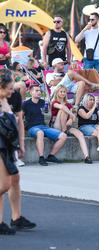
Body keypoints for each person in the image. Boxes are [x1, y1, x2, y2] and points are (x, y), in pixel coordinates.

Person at [0, 69, 36, 235]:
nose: (13, 89)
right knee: (3, 184)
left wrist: (21, 143)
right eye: (10, 87)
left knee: (14, 179)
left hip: (8, 143)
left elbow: (19, 120)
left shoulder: (13, 97)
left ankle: (16, 218)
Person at [22, 84, 67, 166]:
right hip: (32, 128)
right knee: (40, 133)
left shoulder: (43, 103)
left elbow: (48, 116)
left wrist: (48, 112)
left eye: (40, 91)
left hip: (44, 126)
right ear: (31, 92)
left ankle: (51, 156)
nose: (39, 92)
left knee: (63, 136)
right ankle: (41, 158)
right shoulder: (25, 104)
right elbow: (21, 118)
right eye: (36, 91)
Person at [50, 85, 93, 164]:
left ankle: (87, 156)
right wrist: (72, 114)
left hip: (66, 126)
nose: (63, 93)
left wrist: (71, 118)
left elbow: (73, 117)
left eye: (64, 92)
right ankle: (64, 130)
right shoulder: (54, 102)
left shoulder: (68, 104)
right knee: (63, 109)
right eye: (61, 92)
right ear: (57, 92)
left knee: (80, 134)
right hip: (56, 125)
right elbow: (63, 108)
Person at [77, 93, 99, 162]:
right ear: (86, 100)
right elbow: (86, 116)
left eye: (93, 100)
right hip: (84, 126)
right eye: (90, 100)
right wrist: (93, 108)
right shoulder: (81, 109)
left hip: (94, 126)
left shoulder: (95, 109)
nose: (92, 101)